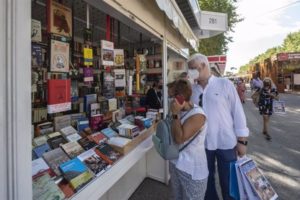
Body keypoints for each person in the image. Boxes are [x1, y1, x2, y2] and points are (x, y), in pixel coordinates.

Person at [187, 53, 249, 200]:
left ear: (203, 66)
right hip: (202, 145)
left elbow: (238, 113)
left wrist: (242, 141)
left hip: (225, 143)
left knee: (229, 185)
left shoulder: (224, 84)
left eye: (192, 68)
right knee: (206, 184)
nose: (190, 72)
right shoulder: (192, 90)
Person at [169, 79, 208, 200]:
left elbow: (179, 138)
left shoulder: (198, 115)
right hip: (176, 164)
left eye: (171, 97)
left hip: (192, 170)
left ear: (180, 98)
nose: (170, 100)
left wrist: (175, 114)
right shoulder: (180, 111)